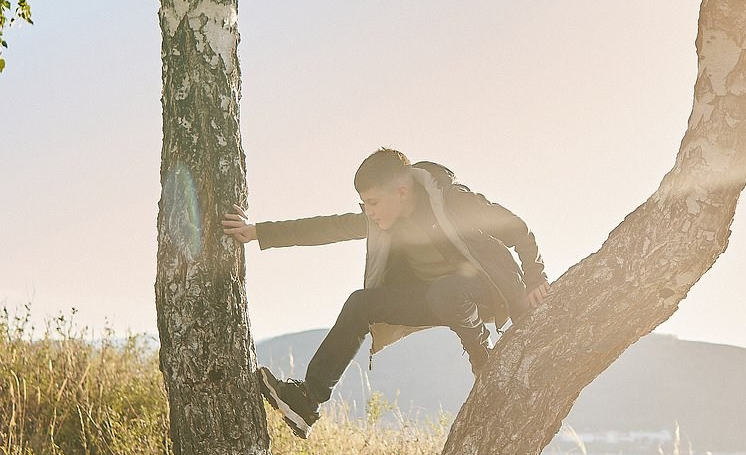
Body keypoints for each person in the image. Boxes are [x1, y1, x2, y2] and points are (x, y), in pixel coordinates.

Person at [222, 148, 549, 437]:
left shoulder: (453, 201)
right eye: (363, 204)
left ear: (402, 191)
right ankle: (308, 402)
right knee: (360, 304)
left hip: (484, 292)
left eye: (373, 202)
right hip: (437, 297)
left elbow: (517, 228)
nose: (369, 211)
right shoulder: (381, 219)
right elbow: (326, 228)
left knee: (446, 291)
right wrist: (256, 232)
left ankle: (483, 358)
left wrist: (535, 278)